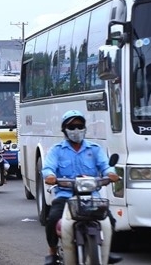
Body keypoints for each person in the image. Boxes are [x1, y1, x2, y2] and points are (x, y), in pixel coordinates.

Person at [42, 110, 120, 265]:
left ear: (84, 128)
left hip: (91, 196)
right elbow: (48, 168)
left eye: (79, 126)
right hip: (65, 195)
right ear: (64, 129)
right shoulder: (57, 150)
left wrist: (111, 174)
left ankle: (107, 250)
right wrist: (50, 176)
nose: (76, 130)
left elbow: (106, 166)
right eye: (72, 126)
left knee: (110, 220)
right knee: (52, 220)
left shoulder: (94, 149)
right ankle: (52, 252)